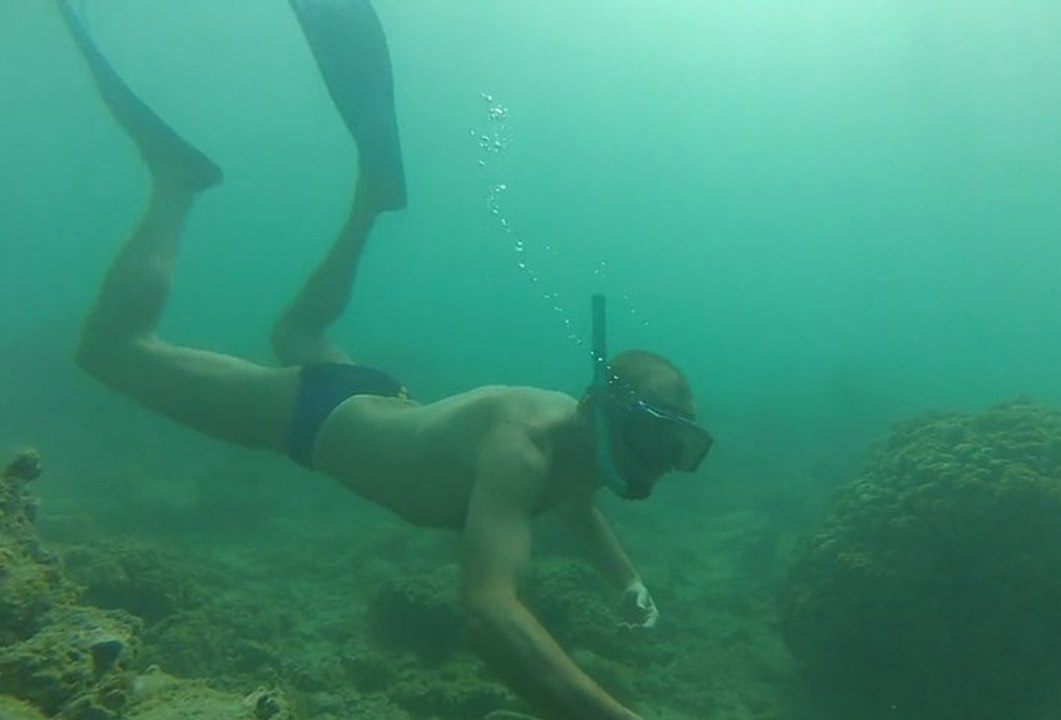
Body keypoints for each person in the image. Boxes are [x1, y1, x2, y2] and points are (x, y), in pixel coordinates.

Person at [57, 2, 714, 719]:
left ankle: (370, 202)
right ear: (600, 406)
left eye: (676, 448)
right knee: (112, 351)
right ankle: (175, 182)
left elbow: (575, 500)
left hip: (374, 403)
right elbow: (490, 612)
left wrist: (623, 581)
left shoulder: (575, 441)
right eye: (650, 439)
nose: (655, 464)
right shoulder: (519, 452)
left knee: (297, 328)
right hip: (316, 415)